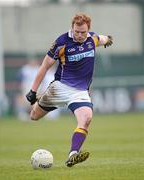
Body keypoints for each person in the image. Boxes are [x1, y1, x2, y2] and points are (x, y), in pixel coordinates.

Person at [26, 13, 113, 167]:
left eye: (83, 32)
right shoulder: (61, 42)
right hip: (60, 88)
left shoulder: (92, 39)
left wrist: (109, 39)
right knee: (34, 116)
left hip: (80, 92)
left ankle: (73, 154)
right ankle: (40, 98)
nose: (79, 35)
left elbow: (103, 38)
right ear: (72, 28)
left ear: (88, 30)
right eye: (76, 31)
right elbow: (45, 66)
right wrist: (33, 91)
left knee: (86, 118)